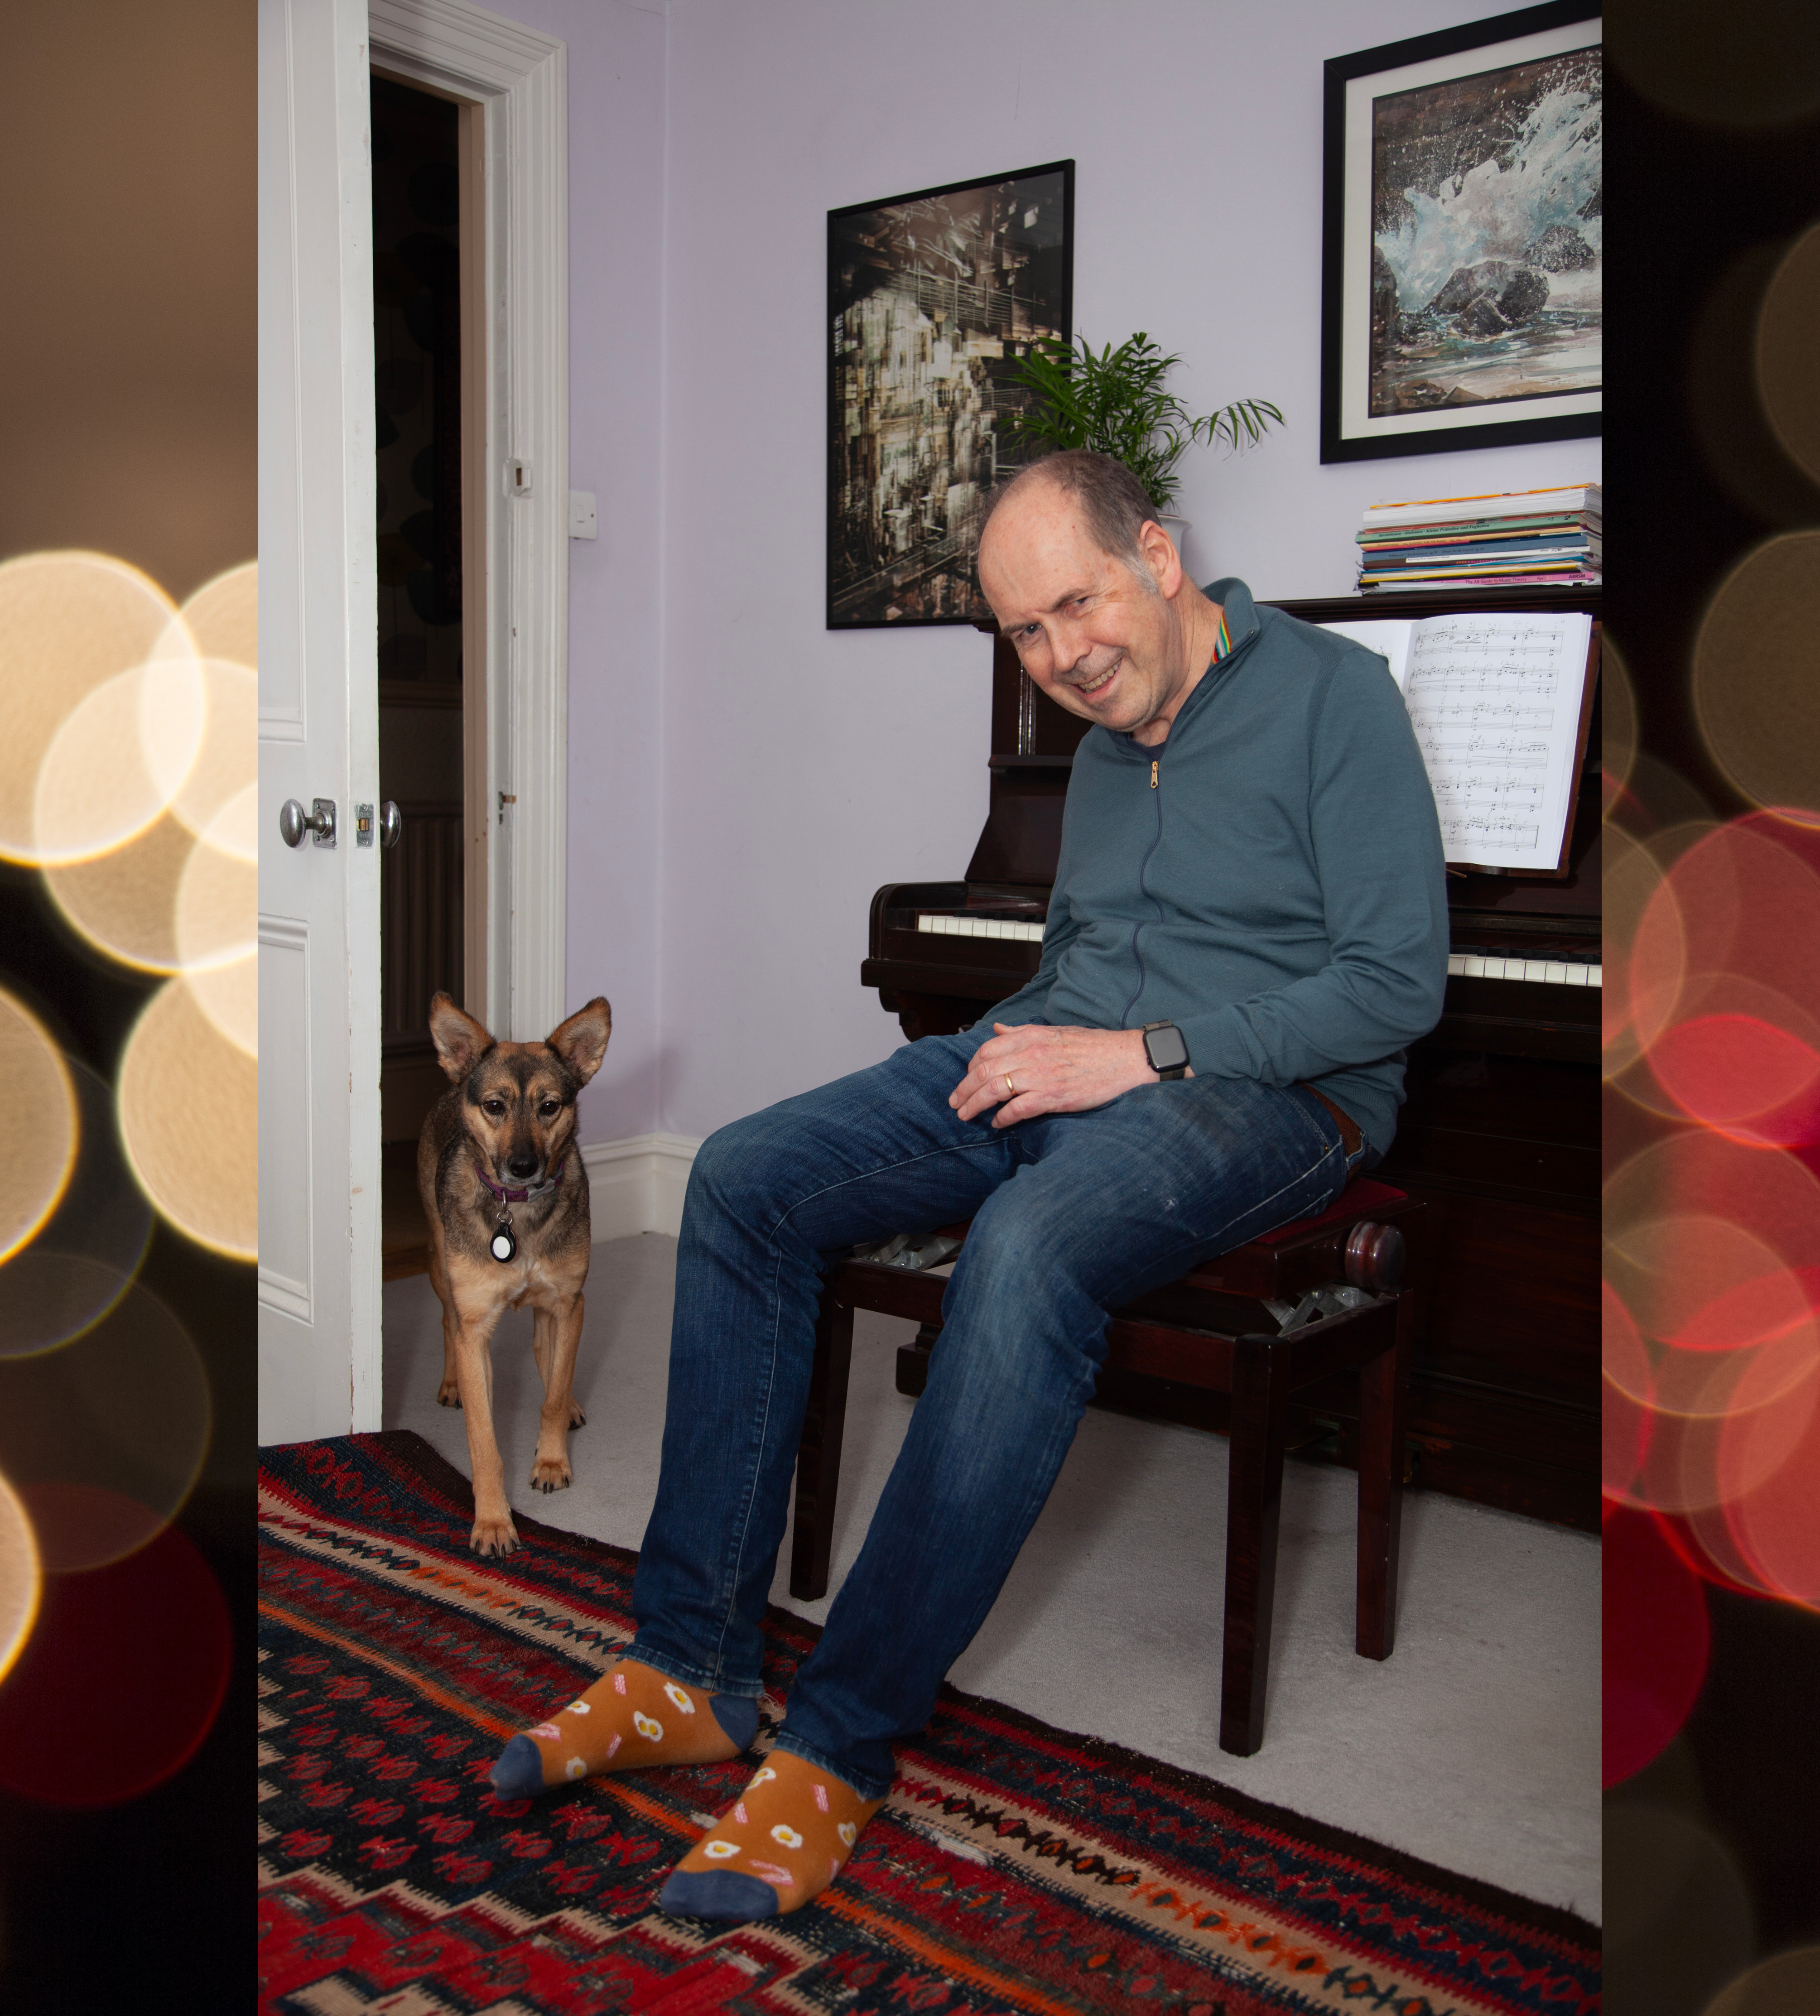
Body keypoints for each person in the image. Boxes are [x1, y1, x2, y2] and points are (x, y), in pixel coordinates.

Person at [486, 448, 1449, 1920]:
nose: (1062, 657)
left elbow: (1394, 991)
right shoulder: (1106, 734)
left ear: (1161, 556)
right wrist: (1025, 1045)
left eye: (1078, 605)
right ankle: (690, 1669)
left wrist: (1139, 1053)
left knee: (1030, 1243)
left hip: (1272, 1099)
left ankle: (838, 1745)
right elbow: (1084, 951)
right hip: (1070, 1046)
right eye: (1025, 631)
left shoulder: (1339, 697)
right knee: (744, 1179)